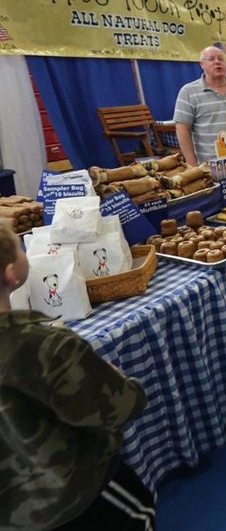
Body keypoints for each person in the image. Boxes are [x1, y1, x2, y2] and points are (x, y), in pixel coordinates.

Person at [0, 221, 153, 531]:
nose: (23, 249)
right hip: (80, 501)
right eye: (18, 245)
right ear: (10, 273)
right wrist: (119, 380)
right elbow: (122, 405)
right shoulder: (47, 347)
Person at [174, 45, 226, 166]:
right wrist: (192, 166)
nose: (217, 62)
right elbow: (182, 130)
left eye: (221, 58)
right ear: (201, 64)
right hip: (209, 167)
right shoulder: (188, 92)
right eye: (211, 59)